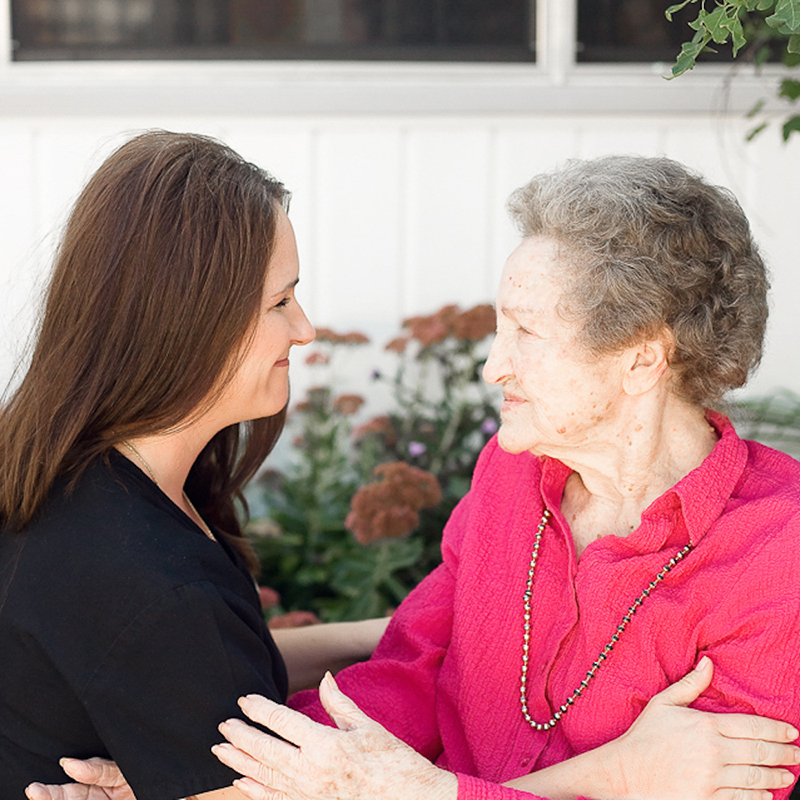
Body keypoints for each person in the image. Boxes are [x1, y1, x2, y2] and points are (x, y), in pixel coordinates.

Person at [29, 155, 800, 800]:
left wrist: (423, 795)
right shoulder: (512, 476)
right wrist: (234, 775)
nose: (494, 365)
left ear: (641, 357)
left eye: (526, 334)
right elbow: (410, 672)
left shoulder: (774, 556)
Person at [0, 129, 389, 800]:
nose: (306, 328)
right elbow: (182, 646)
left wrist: (391, 637)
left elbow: (216, 666)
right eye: (280, 302)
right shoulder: (149, 584)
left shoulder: (83, 472)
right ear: (189, 319)